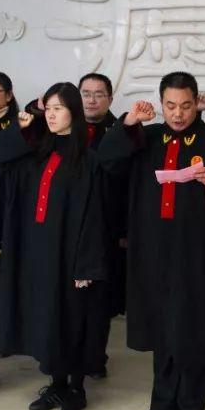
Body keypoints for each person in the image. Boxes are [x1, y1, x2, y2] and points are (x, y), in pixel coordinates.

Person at [99, 71, 205, 410]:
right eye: (171, 106)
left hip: (196, 252)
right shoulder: (146, 137)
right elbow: (107, 160)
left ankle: (193, 408)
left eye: (186, 106)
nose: (178, 114)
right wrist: (129, 122)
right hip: (153, 250)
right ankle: (162, 403)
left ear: (197, 103)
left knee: (193, 331)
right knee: (161, 329)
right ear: (161, 104)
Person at [0, 82, 108, 410]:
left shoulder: (88, 160)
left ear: (74, 111)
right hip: (37, 251)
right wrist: (21, 126)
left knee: (72, 320)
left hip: (70, 255)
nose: (52, 115)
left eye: (59, 108)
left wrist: (86, 264)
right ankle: (56, 384)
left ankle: (76, 388)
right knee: (47, 318)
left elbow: (95, 216)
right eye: (49, 109)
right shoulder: (36, 153)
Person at [77, 72, 127, 379]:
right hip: (71, 226)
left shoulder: (121, 130)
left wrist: (124, 231)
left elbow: (128, 185)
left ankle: (95, 358)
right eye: (86, 93)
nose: (92, 100)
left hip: (106, 226)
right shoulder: (67, 128)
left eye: (99, 94)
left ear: (110, 97)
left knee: (99, 300)